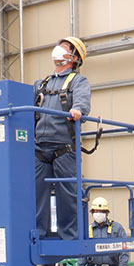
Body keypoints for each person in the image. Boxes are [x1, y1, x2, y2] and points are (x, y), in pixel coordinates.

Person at [34, 36, 91, 239]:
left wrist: (77, 110)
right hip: (39, 147)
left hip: (64, 147)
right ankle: (37, 233)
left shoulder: (78, 81)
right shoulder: (41, 84)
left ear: (74, 57)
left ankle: (69, 235)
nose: (59, 49)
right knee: (36, 192)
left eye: (65, 47)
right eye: (59, 45)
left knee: (67, 192)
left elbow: (82, 102)